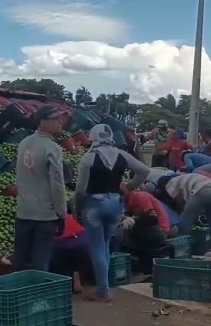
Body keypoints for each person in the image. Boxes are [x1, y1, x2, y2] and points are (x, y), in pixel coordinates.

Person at [74, 124, 150, 302]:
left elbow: (80, 189)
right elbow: (144, 171)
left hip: (94, 206)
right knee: (106, 245)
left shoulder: (89, 157)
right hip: (116, 204)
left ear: (93, 137)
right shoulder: (121, 154)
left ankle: (103, 291)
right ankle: (104, 286)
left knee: (97, 248)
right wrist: (128, 188)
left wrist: (77, 208)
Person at [14, 105, 67, 272]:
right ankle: (37, 295)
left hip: (23, 212)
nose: (60, 123)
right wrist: (61, 211)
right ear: (42, 121)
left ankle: (18, 293)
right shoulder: (52, 148)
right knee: (40, 259)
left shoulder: (23, 143)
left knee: (20, 259)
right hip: (44, 215)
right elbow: (57, 183)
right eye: (56, 119)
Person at [48, 213, 91, 294]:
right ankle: (77, 276)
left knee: (52, 259)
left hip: (62, 246)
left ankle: (66, 283)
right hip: (83, 241)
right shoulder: (65, 215)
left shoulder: (43, 219)